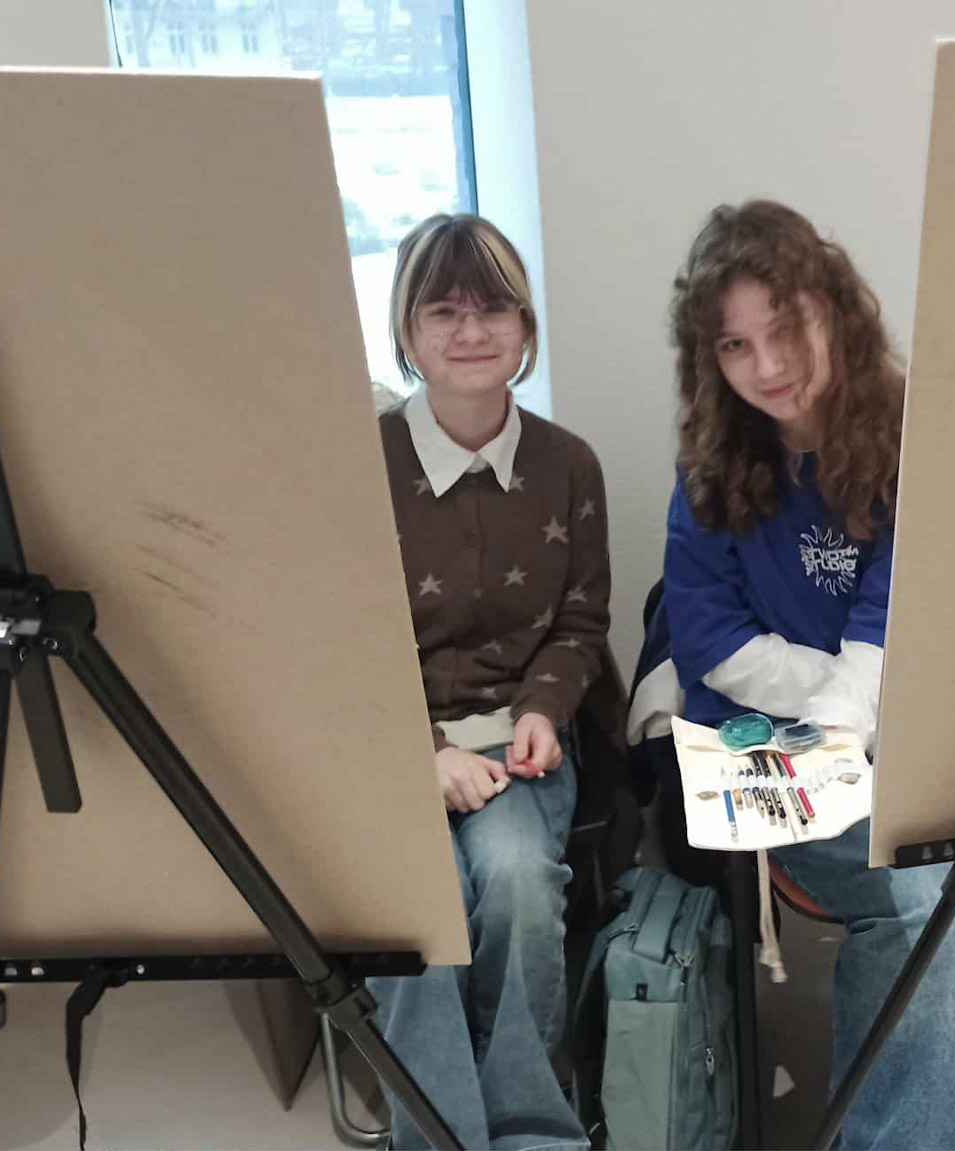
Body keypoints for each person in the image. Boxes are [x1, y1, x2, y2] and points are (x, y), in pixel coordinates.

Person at [662, 200, 955, 1150]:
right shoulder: (710, 460)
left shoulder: (919, 436)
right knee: (930, 914)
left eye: (784, 327)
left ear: (833, 308)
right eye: (734, 344)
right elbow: (708, 639)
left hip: (938, 731)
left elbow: (900, 622)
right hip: (766, 748)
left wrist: (873, 702)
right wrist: (846, 706)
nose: (767, 365)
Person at [366, 213, 609, 1151]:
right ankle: (438, 1132)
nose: (471, 331)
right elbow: (338, 645)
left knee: (515, 881)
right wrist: (422, 751)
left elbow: (580, 622)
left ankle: (529, 1125)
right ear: (407, 329)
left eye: (494, 309)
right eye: (444, 311)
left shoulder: (568, 465)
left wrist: (544, 709)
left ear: (525, 326)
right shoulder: (357, 465)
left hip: (518, 740)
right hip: (393, 744)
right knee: (416, 904)